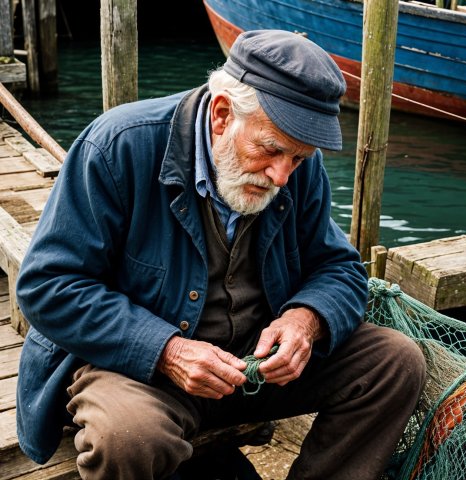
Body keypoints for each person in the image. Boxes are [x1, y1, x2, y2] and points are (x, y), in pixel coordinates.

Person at [15, 29, 426, 480]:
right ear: (222, 114)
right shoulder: (118, 146)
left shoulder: (294, 167)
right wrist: (167, 350)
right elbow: (48, 286)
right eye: (270, 151)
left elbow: (340, 267)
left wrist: (305, 320)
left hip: (252, 367)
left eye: (298, 159)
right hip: (138, 370)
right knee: (129, 436)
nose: (282, 176)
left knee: (394, 363)